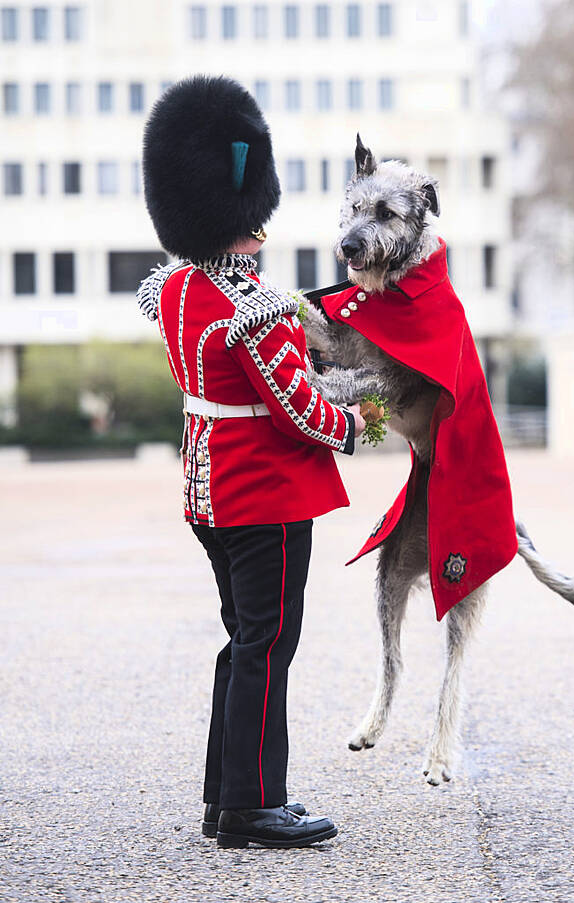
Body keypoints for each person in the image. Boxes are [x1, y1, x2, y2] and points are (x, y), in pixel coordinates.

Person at [137, 74, 364, 850]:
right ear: (244, 208)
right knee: (267, 644)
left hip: (208, 490)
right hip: (263, 493)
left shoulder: (173, 289)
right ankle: (253, 803)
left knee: (242, 641)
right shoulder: (252, 306)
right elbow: (295, 408)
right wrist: (357, 422)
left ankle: (225, 794)